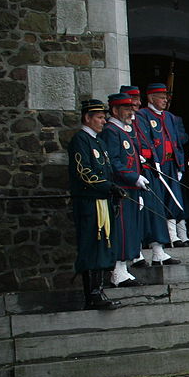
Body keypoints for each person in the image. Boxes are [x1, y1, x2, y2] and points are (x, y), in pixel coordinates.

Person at [68, 99, 122, 310]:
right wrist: (108, 186)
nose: (103, 121)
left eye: (103, 117)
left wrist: (113, 189)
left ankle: (98, 290)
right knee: (92, 244)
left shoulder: (98, 141)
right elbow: (84, 173)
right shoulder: (80, 140)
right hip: (89, 202)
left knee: (103, 245)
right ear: (87, 118)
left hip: (102, 201)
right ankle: (91, 295)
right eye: (99, 117)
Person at [101, 93, 149, 287]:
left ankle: (124, 268)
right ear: (115, 111)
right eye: (126, 109)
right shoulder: (111, 131)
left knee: (130, 229)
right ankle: (117, 271)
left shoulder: (124, 130)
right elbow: (114, 161)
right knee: (121, 230)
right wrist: (133, 177)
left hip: (131, 189)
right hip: (121, 188)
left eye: (131, 108)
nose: (131, 112)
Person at [136, 83, 189, 247]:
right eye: (161, 97)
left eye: (166, 97)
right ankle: (169, 236)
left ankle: (179, 235)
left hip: (171, 164)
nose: (165, 100)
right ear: (151, 98)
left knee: (175, 199)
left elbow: (177, 142)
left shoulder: (170, 117)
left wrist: (180, 165)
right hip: (155, 166)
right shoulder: (143, 115)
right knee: (161, 200)